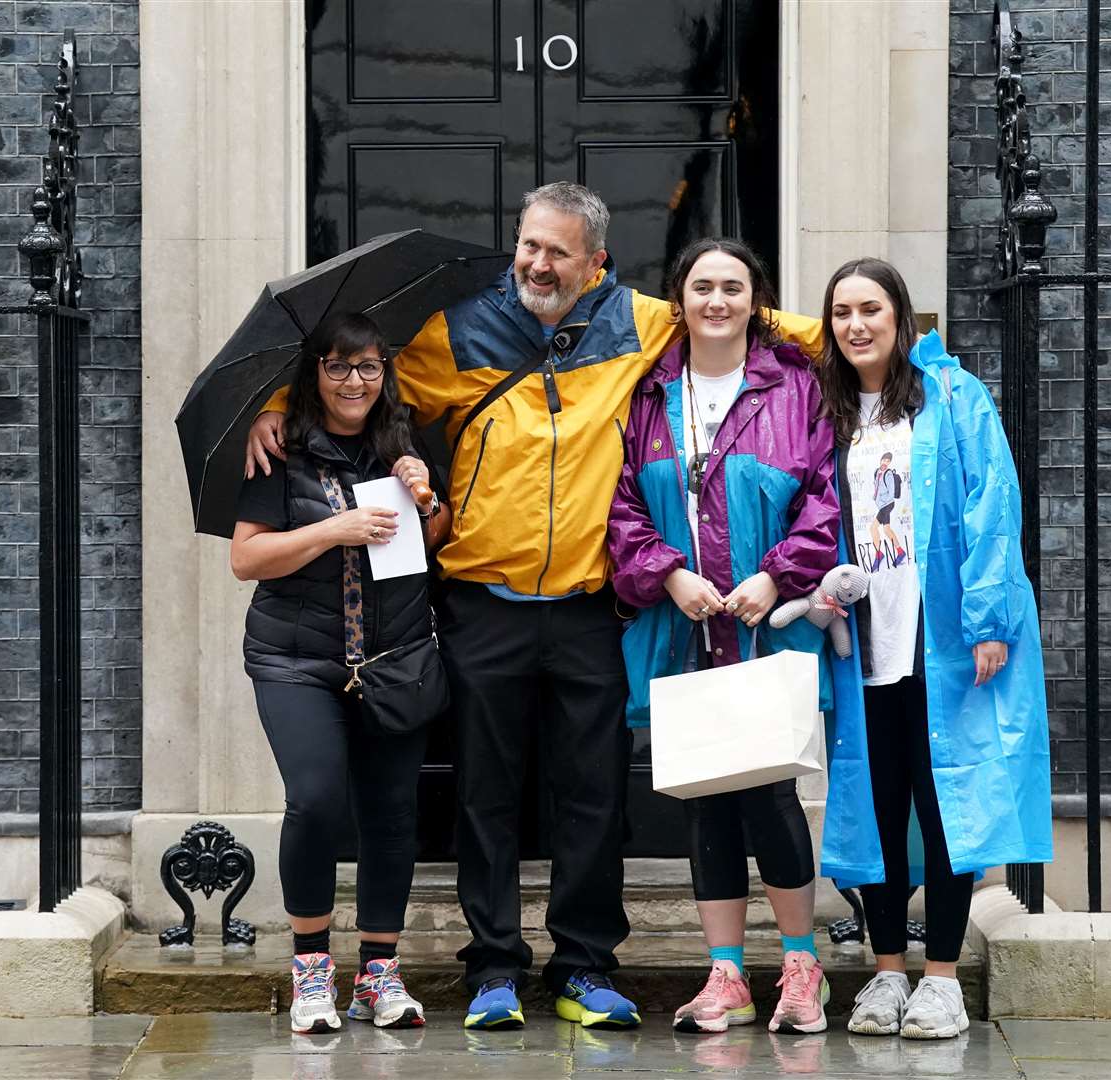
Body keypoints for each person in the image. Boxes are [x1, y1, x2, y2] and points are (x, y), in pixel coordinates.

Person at [246, 182, 823, 1031]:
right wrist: (270, 409)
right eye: (527, 245)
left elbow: (767, 325)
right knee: (486, 794)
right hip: (483, 601)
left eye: (556, 251)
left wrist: (891, 345)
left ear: (595, 260)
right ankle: (492, 972)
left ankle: (585, 968)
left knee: (593, 796)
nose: (536, 264)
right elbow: (354, 376)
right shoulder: (461, 329)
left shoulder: (643, 319)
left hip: (592, 605)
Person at [809, 258, 1051, 1041]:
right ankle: (885, 972)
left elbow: (990, 503)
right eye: (840, 311)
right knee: (875, 805)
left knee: (944, 801)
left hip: (937, 633)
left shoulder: (952, 397)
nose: (855, 325)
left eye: (870, 308)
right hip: (859, 640)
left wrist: (986, 619)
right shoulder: (827, 410)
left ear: (900, 316)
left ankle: (939, 977)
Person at [606, 238, 841, 1036]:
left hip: (765, 627)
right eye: (701, 287)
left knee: (770, 794)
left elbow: (820, 498)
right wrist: (668, 573)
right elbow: (621, 506)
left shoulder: (792, 386)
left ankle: (801, 968)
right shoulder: (645, 394)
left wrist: (775, 575)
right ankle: (727, 975)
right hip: (683, 625)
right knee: (705, 796)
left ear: (754, 301)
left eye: (731, 288)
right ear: (680, 300)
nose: (715, 301)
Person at [229, 312, 451, 1034]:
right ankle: (313, 973)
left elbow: (438, 540)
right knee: (317, 801)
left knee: (391, 815)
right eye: (336, 367)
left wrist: (425, 492)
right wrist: (333, 528)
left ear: (383, 373)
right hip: (295, 659)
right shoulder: (278, 448)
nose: (353, 382)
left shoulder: (409, 440)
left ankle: (379, 976)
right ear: (313, 373)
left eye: (366, 368)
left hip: (395, 660)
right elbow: (246, 559)